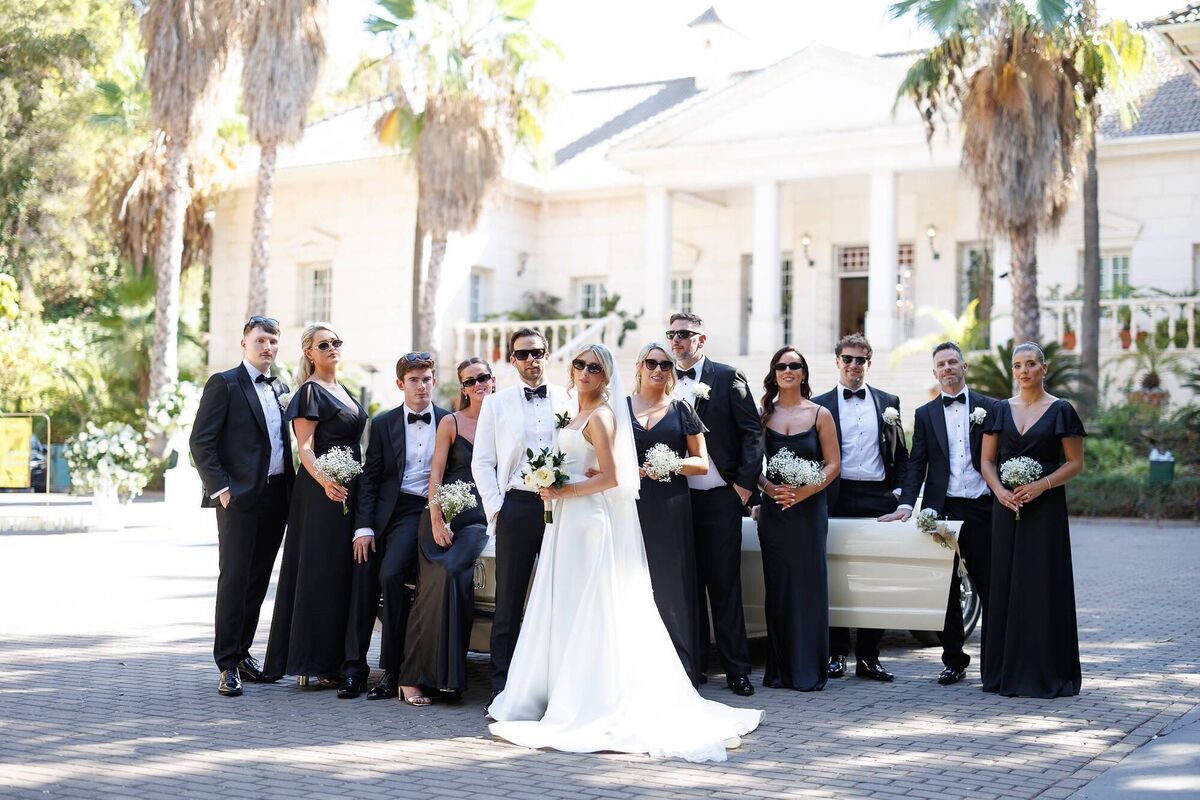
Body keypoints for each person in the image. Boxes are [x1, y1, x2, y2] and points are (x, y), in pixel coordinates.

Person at [487, 344, 762, 762]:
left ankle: (593, 694)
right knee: (568, 605)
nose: (584, 371)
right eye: (578, 364)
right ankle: (560, 687)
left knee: (594, 607)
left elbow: (614, 478)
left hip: (588, 520)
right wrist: (554, 481)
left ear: (607, 376)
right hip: (567, 521)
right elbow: (586, 463)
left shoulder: (600, 415)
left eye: (594, 367)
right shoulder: (573, 413)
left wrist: (566, 489)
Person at [882, 341, 999, 686]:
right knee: (946, 588)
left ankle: (995, 662)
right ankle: (954, 660)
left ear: (964, 368)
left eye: (952, 362)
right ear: (935, 373)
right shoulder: (925, 413)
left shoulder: (990, 408)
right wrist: (906, 505)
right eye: (941, 365)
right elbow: (917, 463)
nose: (947, 368)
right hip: (942, 510)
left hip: (982, 506)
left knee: (989, 583)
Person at [190, 315, 295, 697]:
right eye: (261, 340)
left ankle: (244, 651)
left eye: (273, 341)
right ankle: (227, 664)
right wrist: (220, 489)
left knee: (257, 580)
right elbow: (201, 441)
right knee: (234, 578)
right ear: (244, 343)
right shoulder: (225, 384)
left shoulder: (281, 386)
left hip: (277, 496)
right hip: (239, 498)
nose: (268, 347)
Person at [472, 328, 573, 705]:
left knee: (558, 596)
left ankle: (556, 687)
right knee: (509, 601)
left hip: (562, 507)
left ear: (548, 356)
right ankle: (502, 688)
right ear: (512, 360)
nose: (532, 360)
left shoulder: (569, 398)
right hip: (516, 505)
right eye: (523, 354)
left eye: (538, 353)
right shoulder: (496, 404)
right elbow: (482, 460)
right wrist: (497, 507)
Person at [338, 353, 447, 700]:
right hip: (391, 510)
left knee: (391, 575)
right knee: (362, 574)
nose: (421, 386)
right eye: (414, 380)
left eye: (427, 379)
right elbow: (370, 478)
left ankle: (393, 671)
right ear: (400, 384)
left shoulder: (447, 421)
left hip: (427, 509)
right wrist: (363, 528)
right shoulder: (383, 423)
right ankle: (354, 670)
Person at [979, 342, 1085, 698]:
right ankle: (1001, 672)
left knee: (1041, 583)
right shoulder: (999, 410)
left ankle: (1046, 671)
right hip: (1006, 509)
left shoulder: (1061, 411)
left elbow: (1074, 463)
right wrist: (999, 492)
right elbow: (987, 461)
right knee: (1005, 583)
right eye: (1018, 365)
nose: (1024, 371)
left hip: (1045, 511)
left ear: (1044, 367)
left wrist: (1041, 486)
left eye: (1031, 364)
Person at [264, 324, 366, 685]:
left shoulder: (344, 389)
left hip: (348, 488)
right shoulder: (308, 392)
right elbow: (304, 448)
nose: (332, 348)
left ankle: (336, 659)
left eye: (337, 342)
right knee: (320, 572)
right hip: (321, 493)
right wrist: (327, 481)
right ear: (309, 352)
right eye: (324, 344)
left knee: (341, 573)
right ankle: (314, 663)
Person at [667, 312, 760, 697]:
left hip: (722, 498)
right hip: (677, 500)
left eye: (685, 335)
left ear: (701, 340)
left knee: (724, 586)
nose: (677, 341)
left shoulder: (727, 377)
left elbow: (752, 433)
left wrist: (742, 488)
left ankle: (737, 670)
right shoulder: (663, 379)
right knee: (685, 587)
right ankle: (693, 668)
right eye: (672, 334)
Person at [396, 358, 494, 705]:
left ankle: (448, 678)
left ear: (493, 380)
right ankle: (411, 678)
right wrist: (436, 517)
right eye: (470, 381)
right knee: (433, 583)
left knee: (454, 573)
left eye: (483, 377)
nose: (478, 384)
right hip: (445, 514)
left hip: (481, 517)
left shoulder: (505, 421)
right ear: (463, 387)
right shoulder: (450, 422)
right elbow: (435, 474)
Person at [812, 333, 908, 683]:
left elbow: (901, 452)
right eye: (848, 359)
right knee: (835, 574)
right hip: (836, 495)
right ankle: (836, 654)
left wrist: (899, 493)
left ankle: (869, 656)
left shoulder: (888, 401)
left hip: (878, 497)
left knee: (876, 575)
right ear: (837, 361)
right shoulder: (819, 404)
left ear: (869, 363)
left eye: (861, 360)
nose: (854, 366)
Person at [755, 347, 840, 691]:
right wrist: (769, 489)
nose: (788, 370)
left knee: (808, 586)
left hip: (808, 512)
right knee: (777, 587)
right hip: (774, 513)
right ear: (774, 373)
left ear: (803, 373)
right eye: (781, 366)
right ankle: (779, 670)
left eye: (794, 365)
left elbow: (833, 464)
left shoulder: (820, 414)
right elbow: (752, 465)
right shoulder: (763, 415)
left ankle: (808, 670)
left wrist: (804, 491)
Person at [627, 342, 709, 686]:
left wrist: (670, 464)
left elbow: (701, 463)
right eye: (651, 362)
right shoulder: (619, 407)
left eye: (665, 364)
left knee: (671, 587)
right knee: (631, 584)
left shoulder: (682, 410)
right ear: (640, 367)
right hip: (629, 506)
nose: (658, 369)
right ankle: (634, 668)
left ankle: (682, 669)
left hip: (670, 507)